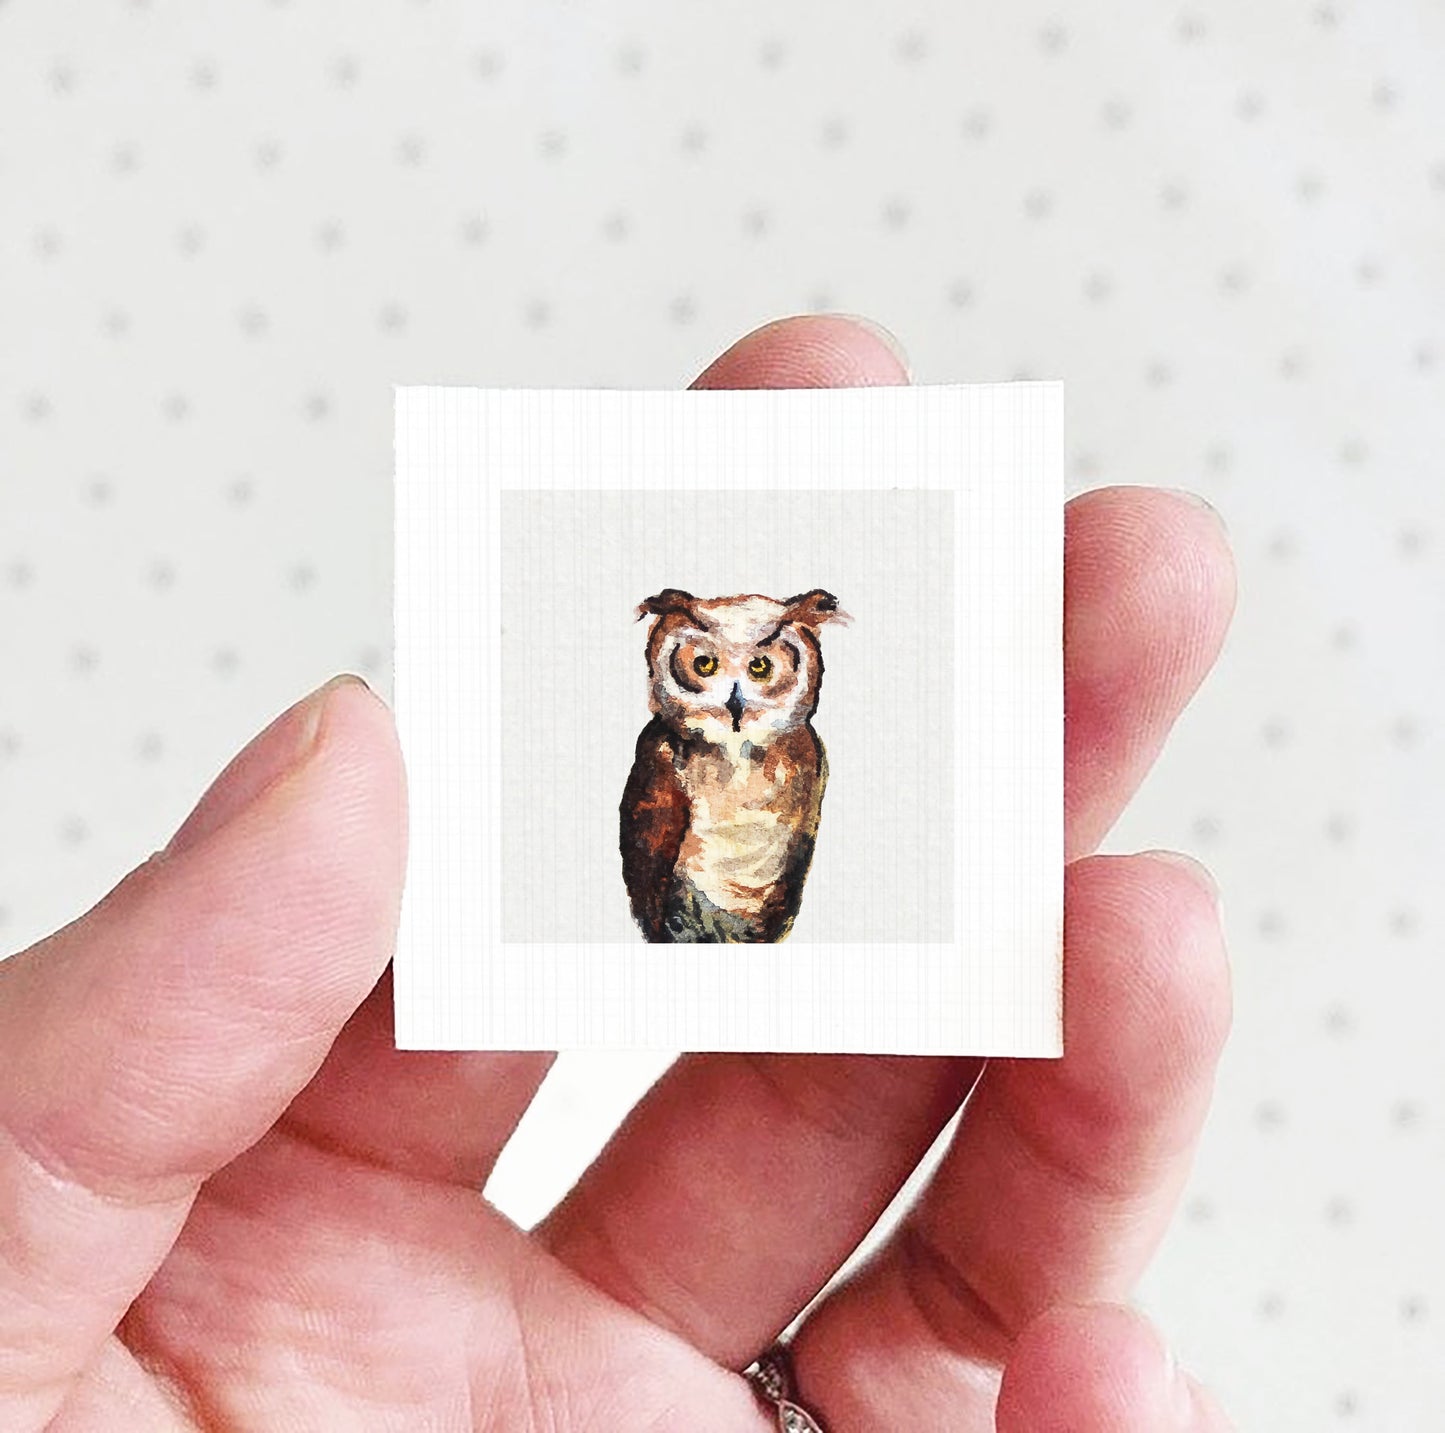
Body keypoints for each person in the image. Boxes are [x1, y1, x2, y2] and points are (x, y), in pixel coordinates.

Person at [0, 316, 1235, 1431]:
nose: (739, 691)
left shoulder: (804, 758)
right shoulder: (655, 750)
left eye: (764, 668)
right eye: (703, 666)